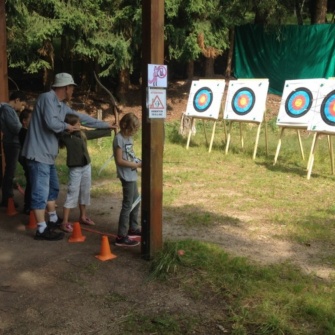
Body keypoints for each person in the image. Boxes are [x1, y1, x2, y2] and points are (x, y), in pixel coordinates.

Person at [22, 72, 117, 241]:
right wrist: (68, 126)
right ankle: (41, 229)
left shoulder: (61, 106)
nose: (73, 90)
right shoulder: (46, 98)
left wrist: (105, 125)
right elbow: (51, 123)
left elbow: (81, 118)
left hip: (47, 155)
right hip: (38, 155)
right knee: (40, 192)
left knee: (53, 188)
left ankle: (52, 219)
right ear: (66, 88)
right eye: (72, 87)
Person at [58, 114, 112, 233]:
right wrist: (66, 128)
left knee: (85, 191)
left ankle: (83, 216)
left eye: (79, 123)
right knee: (72, 193)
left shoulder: (82, 134)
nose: (79, 125)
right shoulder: (65, 137)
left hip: (86, 166)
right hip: (75, 169)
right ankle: (64, 222)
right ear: (70, 125)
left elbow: (96, 133)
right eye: (77, 124)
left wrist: (109, 128)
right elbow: (58, 132)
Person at [113, 112, 142, 247]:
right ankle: (121, 236)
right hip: (126, 176)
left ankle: (133, 228)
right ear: (125, 126)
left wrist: (139, 161)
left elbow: (130, 155)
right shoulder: (119, 138)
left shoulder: (129, 138)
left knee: (136, 202)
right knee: (127, 205)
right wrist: (136, 165)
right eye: (133, 129)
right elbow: (119, 160)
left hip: (132, 174)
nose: (134, 132)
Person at [0, 91, 27, 208]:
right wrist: (26, 130)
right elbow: (16, 128)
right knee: (10, 171)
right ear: (16, 100)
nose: (22, 108)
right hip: (12, 144)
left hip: (16, 143)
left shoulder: (10, 110)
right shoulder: (7, 110)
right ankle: (7, 198)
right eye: (22, 104)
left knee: (27, 166)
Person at [18, 108, 32, 215]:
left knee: (32, 182)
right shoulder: (23, 132)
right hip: (27, 160)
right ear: (24, 121)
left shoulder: (27, 131)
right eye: (31, 119)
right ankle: (28, 206)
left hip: (28, 159)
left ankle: (29, 204)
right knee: (31, 182)